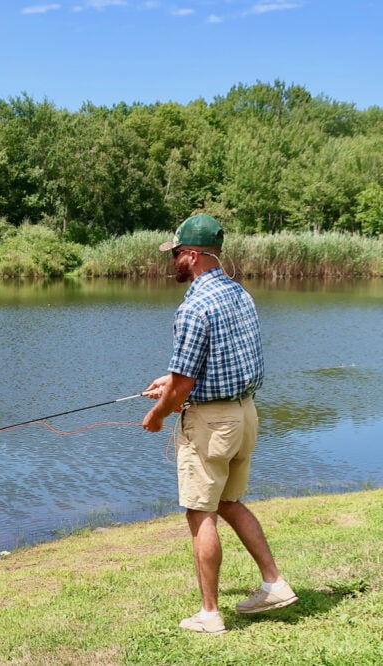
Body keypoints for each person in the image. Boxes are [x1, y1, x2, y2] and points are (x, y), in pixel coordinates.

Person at [142, 213, 297, 635]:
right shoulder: (238, 293)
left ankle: (209, 614)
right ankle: (274, 583)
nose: (171, 260)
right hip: (245, 414)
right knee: (229, 502)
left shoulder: (194, 306)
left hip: (212, 424)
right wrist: (171, 381)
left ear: (192, 255)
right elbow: (215, 364)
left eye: (175, 254)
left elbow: (182, 389)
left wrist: (158, 414)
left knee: (200, 511)